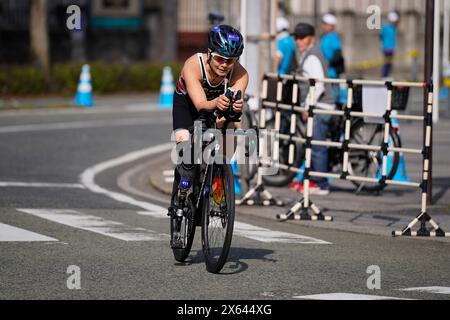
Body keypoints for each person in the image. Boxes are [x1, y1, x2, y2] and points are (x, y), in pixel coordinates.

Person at [169, 25, 248, 246]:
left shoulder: (240, 74)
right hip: (189, 106)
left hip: (217, 107)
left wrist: (231, 112)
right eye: (221, 58)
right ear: (209, 53)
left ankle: (217, 186)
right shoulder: (193, 65)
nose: (225, 65)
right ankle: (182, 198)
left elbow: (233, 110)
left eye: (230, 60)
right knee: (187, 151)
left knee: (228, 145)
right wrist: (217, 105)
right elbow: (201, 105)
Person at [291, 23, 335, 195]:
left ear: (311, 38)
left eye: (301, 37)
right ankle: (314, 180)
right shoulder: (309, 54)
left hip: (320, 107)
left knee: (317, 147)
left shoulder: (312, 57)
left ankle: (321, 184)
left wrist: (307, 107)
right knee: (315, 145)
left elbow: (318, 85)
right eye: (296, 37)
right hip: (321, 106)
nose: (298, 41)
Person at [320, 13, 345, 79]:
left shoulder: (334, 38)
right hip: (325, 72)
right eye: (323, 23)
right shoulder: (324, 37)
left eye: (325, 23)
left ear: (332, 26)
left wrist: (328, 63)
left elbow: (337, 55)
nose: (323, 25)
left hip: (332, 73)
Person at [380, 11, 399, 78]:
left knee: (389, 63)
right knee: (387, 63)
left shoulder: (393, 28)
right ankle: (384, 76)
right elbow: (381, 37)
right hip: (387, 48)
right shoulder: (386, 27)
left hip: (391, 48)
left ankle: (386, 75)